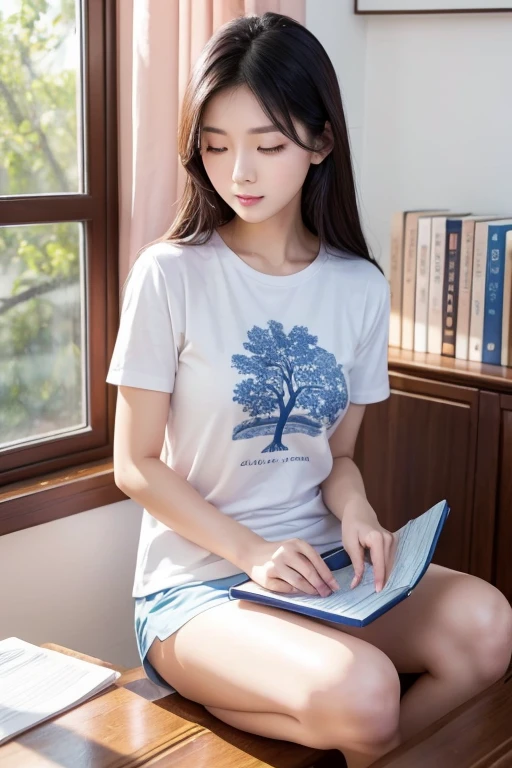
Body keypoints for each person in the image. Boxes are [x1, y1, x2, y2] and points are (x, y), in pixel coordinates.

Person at [106, 12, 512, 768]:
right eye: (217, 146)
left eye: (268, 145)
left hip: (321, 567)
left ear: (321, 143)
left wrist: (358, 513)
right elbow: (135, 465)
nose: (240, 174)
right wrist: (253, 552)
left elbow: (339, 456)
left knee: (489, 625)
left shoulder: (357, 287)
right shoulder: (170, 275)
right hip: (199, 588)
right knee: (366, 693)